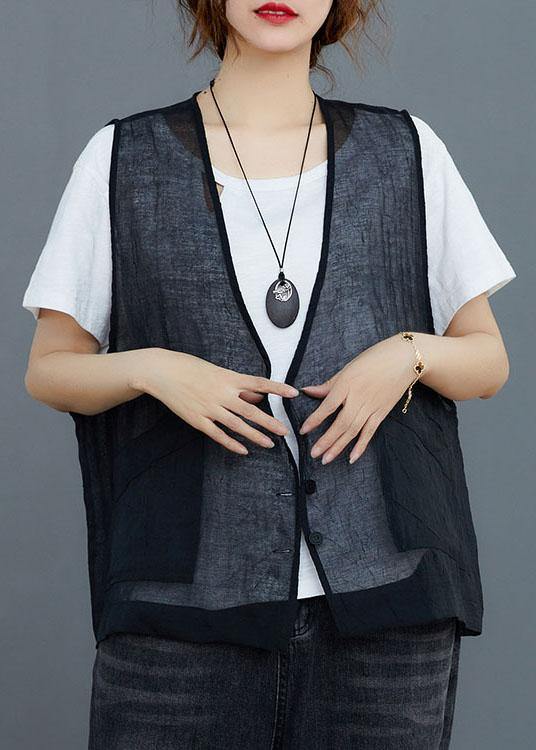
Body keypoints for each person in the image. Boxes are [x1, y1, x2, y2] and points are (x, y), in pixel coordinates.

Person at [22, 2, 516, 748]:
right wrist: (154, 369)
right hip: (183, 607)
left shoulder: (407, 151)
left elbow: (487, 359)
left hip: (387, 607)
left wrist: (407, 353)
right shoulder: (123, 158)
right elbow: (50, 370)